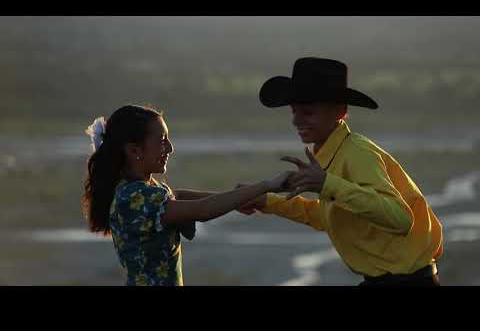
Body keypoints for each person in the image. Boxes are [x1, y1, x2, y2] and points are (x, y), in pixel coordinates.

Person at [238, 57, 443, 286]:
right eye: (294, 111)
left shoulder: (357, 153)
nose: (296, 120)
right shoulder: (330, 155)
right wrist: (266, 201)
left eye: (307, 112)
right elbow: (330, 216)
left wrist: (328, 184)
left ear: (340, 111)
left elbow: (401, 219)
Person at [82, 104, 291, 286]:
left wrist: (236, 200)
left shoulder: (140, 188)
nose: (170, 148)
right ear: (135, 151)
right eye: (162, 141)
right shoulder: (134, 197)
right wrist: (267, 185)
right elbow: (203, 210)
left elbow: (177, 196)